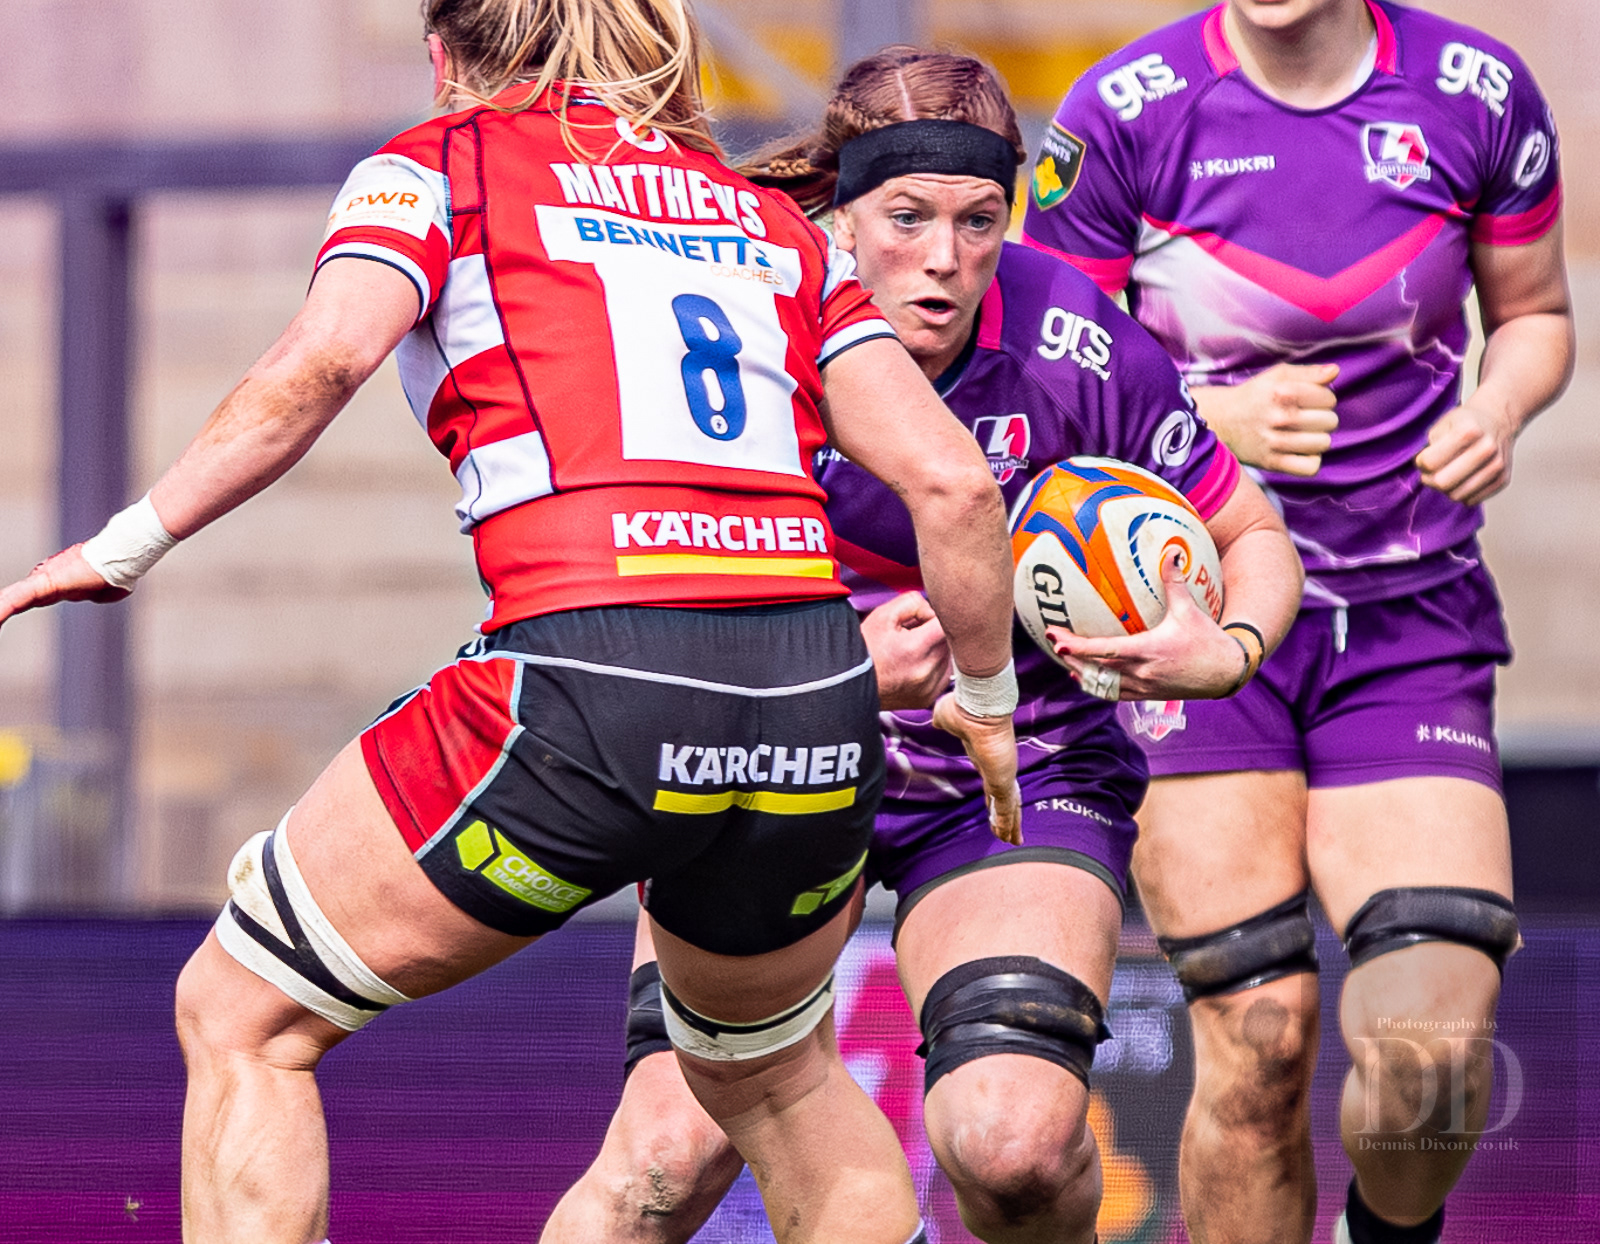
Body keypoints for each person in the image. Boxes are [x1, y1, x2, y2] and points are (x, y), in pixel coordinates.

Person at [0, 4, 1031, 1243]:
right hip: (813, 698)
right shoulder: (765, 221)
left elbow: (321, 365)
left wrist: (125, 544)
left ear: (444, 55)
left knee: (243, 1011)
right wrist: (987, 703)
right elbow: (955, 483)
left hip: (589, 679)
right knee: (776, 1079)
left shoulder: (438, 165)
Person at [538, 48, 1303, 1244]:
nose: (943, 258)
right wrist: (833, 667)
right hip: (766, 757)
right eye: (906, 218)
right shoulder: (737, 328)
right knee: (663, 1160)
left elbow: (1248, 530)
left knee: (1014, 1148)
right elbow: (632, 591)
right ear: (841, 212)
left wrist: (1230, 646)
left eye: (977, 220)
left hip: (1016, 771)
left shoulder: (1074, 341)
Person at [1021, 1, 1574, 1242]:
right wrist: (1204, 422)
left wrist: (1497, 408)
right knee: (1258, 1041)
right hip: (1193, 629)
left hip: (1406, 621)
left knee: (1434, 1064)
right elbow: (1046, 384)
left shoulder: (1476, 89)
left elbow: (1536, 316)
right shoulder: (1122, 113)